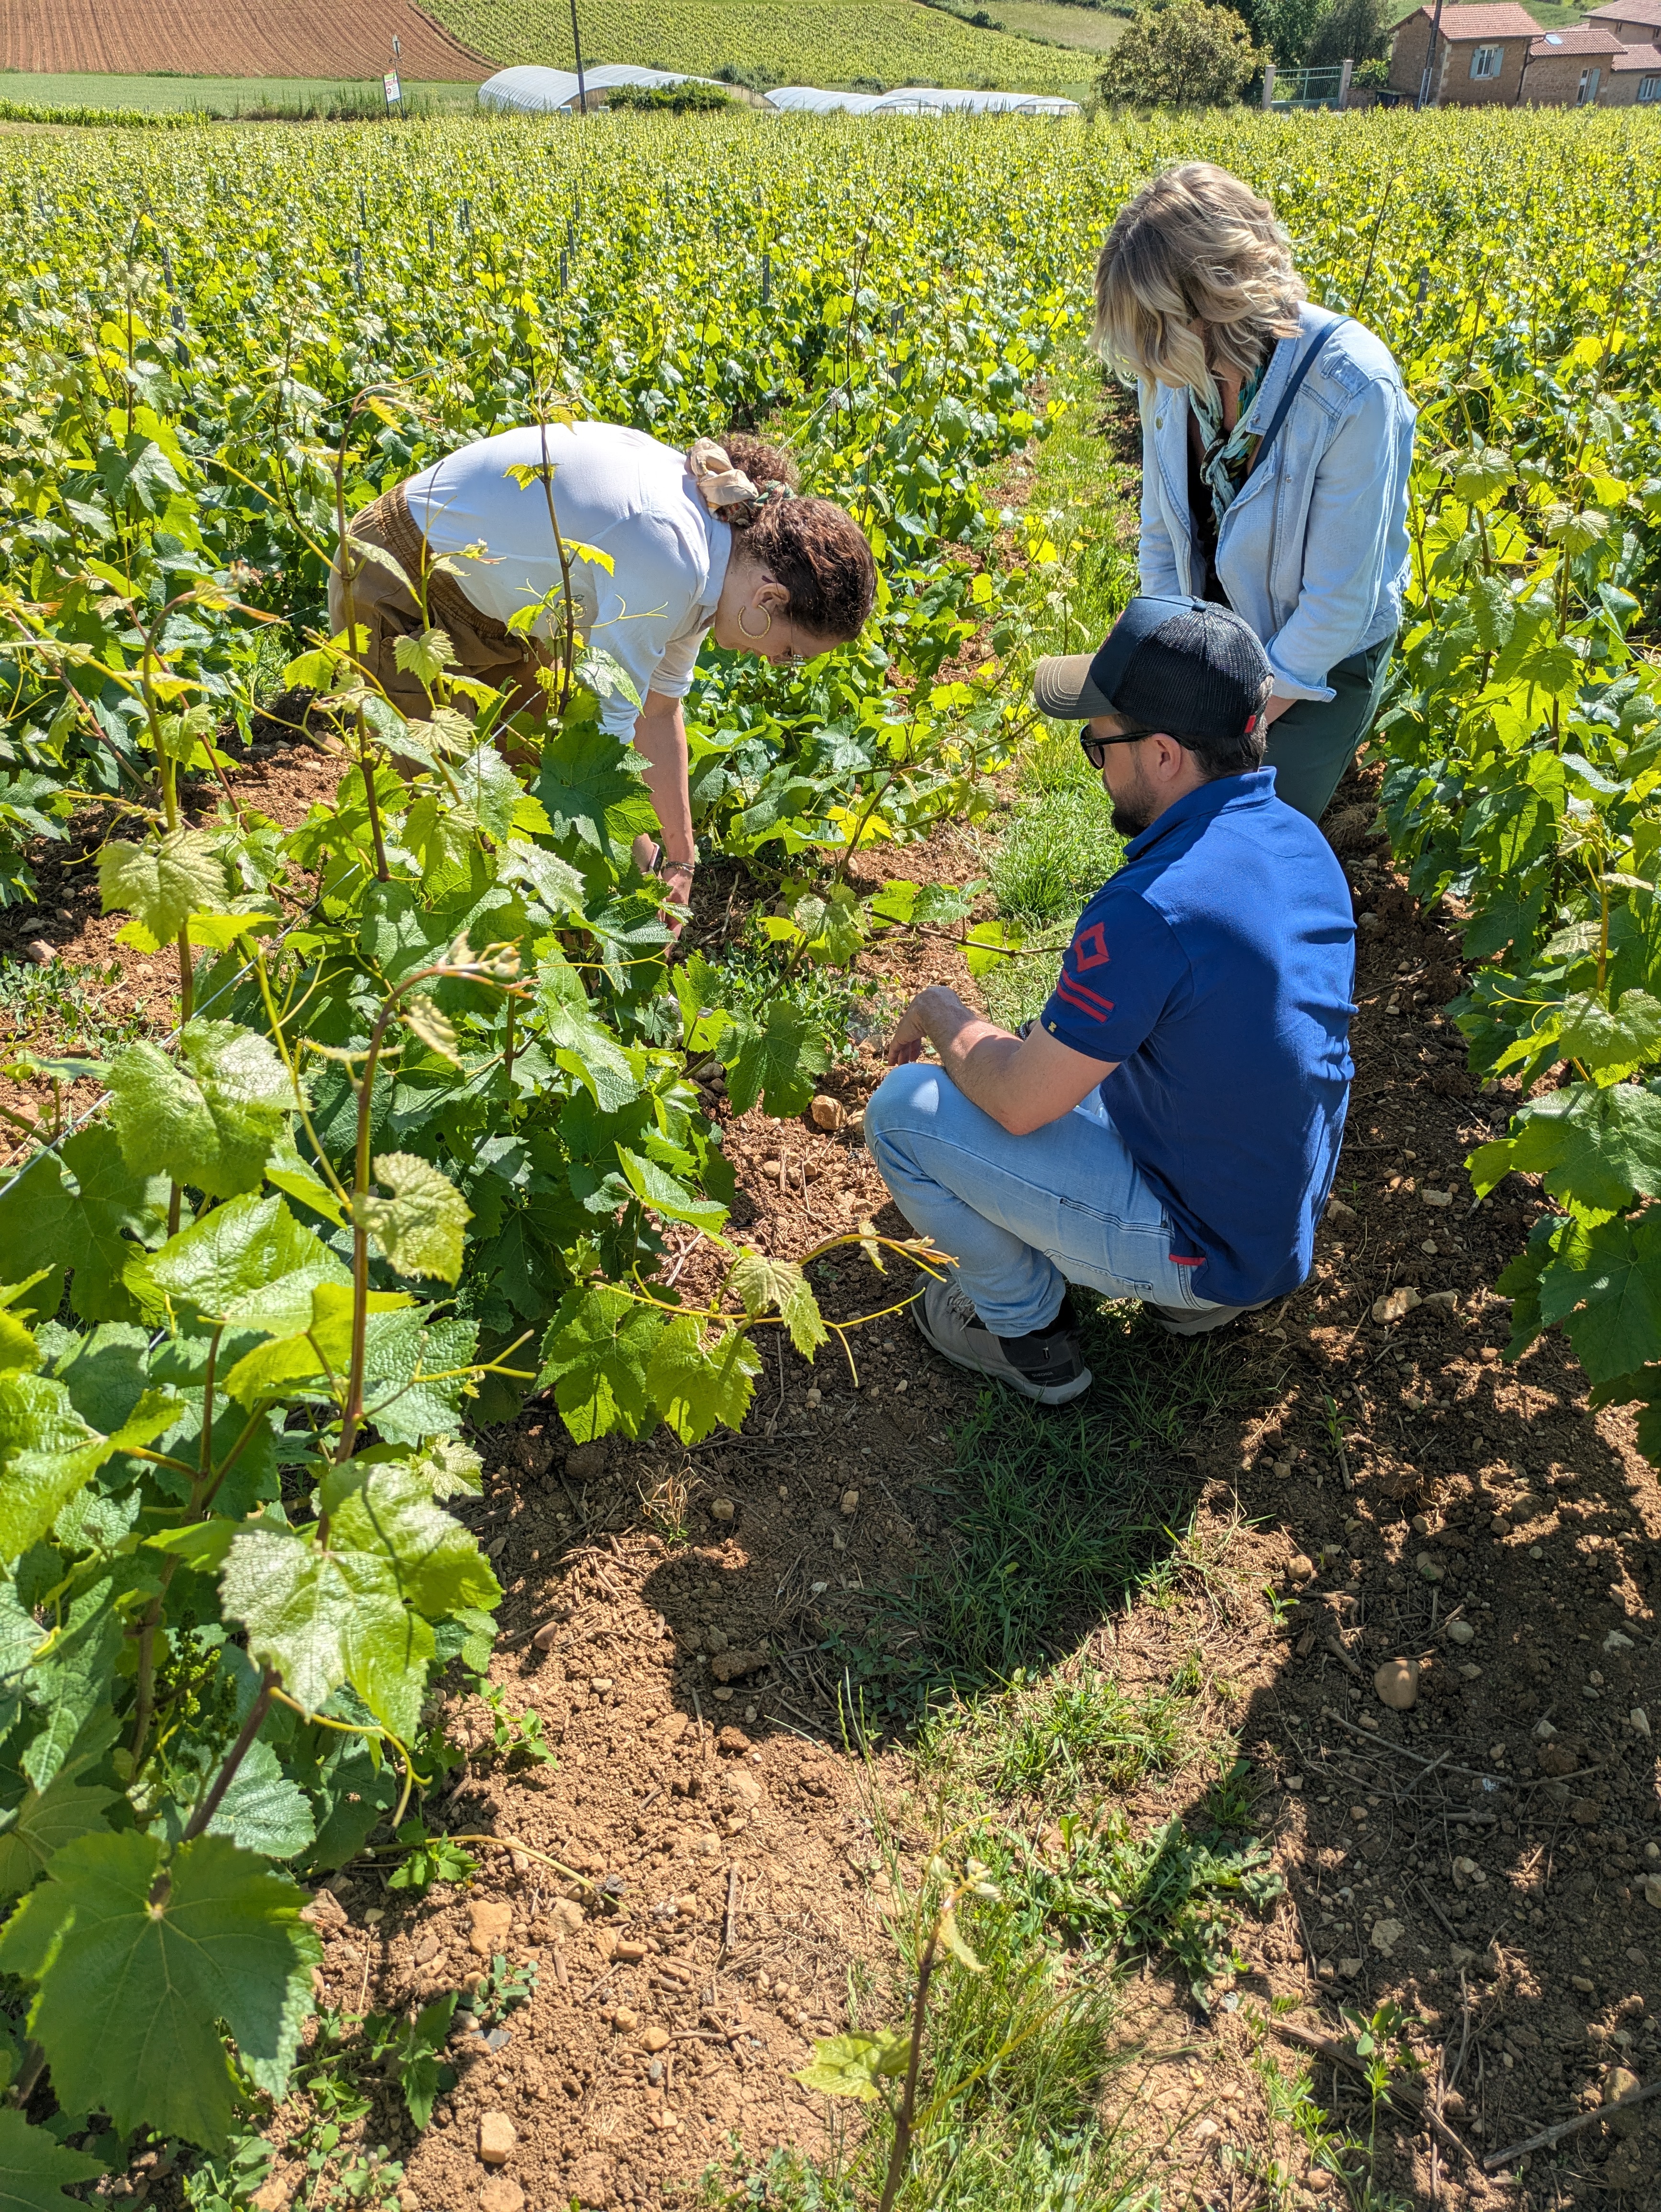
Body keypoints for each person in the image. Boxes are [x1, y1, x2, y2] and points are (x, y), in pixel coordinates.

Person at [862, 596, 1356, 1405]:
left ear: (1163, 753)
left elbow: (1021, 1104)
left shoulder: (1155, 908)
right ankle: (1195, 1299)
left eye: (1099, 739)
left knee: (905, 1112)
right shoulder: (1296, 840)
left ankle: (1026, 1335)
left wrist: (946, 1014)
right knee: (1035, 1046)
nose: (1093, 752)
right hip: (1267, 1218)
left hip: (1207, 1244)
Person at [329, 423, 876, 911]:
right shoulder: (671, 556)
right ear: (768, 599)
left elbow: (657, 712)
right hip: (395, 578)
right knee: (447, 817)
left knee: (529, 788)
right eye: (791, 652)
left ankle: (525, 940)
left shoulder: (716, 556)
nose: (779, 662)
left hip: (490, 603)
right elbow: (603, 745)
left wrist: (681, 859)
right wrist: (638, 870)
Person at [1094, 162, 1416, 825]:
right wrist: (1171, 670)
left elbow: (1337, 605)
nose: (1148, 361)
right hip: (1220, 630)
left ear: (1221, 301)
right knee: (1167, 807)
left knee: (1247, 825)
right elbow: (1163, 537)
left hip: (1321, 658)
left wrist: (1234, 723)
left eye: (1160, 331)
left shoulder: (1352, 388)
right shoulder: (1174, 373)